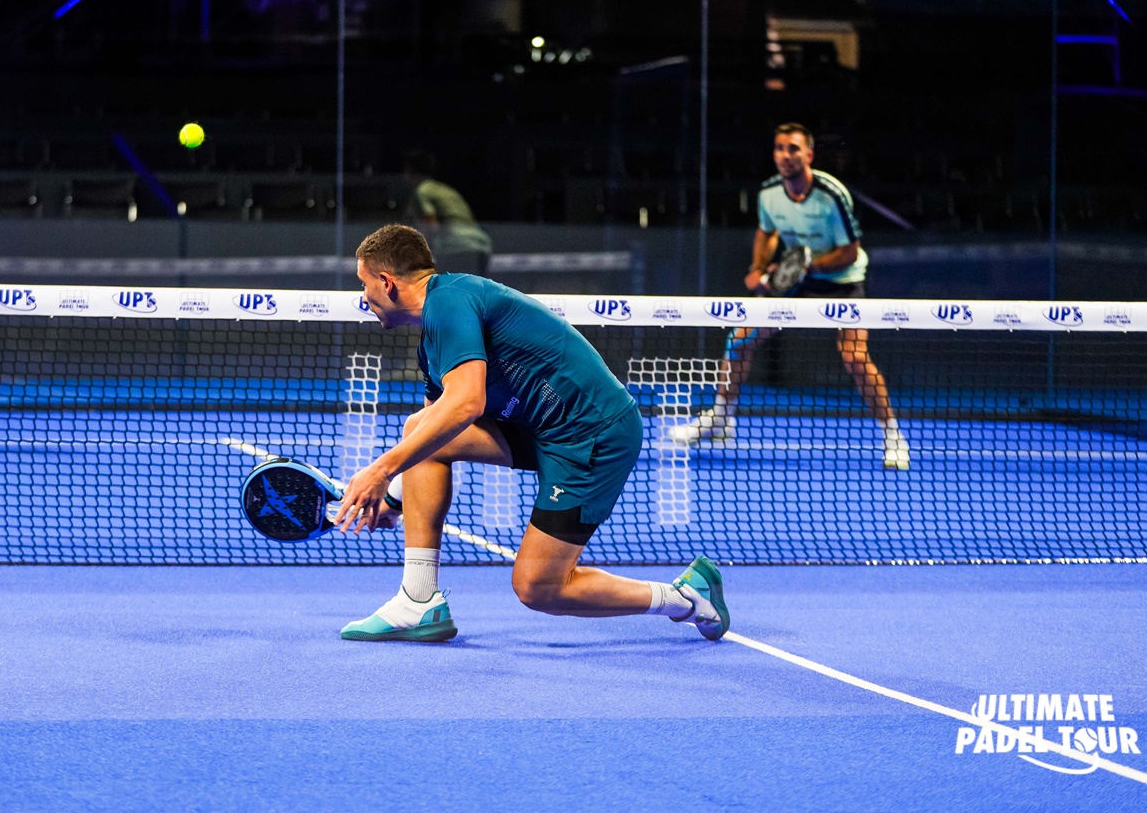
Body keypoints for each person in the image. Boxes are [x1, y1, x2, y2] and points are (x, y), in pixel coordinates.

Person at [331, 224, 728, 643]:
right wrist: (394, 498)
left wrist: (378, 472)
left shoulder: (449, 302)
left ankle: (685, 597)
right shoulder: (434, 337)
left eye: (364, 283)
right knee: (421, 430)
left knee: (538, 586)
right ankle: (418, 598)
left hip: (593, 433)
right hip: (542, 428)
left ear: (386, 282)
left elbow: (467, 402)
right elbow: (435, 428)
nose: (363, 297)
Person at [671, 122, 908, 470]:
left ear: (809, 154)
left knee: (855, 357)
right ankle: (721, 419)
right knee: (739, 341)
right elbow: (766, 232)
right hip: (796, 281)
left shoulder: (831, 194)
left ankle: (893, 437)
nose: (786, 155)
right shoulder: (769, 193)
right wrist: (759, 268)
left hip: (842, 282)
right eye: (780, 148)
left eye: (794, 148)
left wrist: (807, 267)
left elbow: (851, 252)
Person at [402, 150, 493, 277]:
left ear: (409, 171)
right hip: (481, 246)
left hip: (456, 248)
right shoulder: (445, 190)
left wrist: (417, 255)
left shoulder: (422, 191)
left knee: (448, 289)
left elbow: (430, 225)